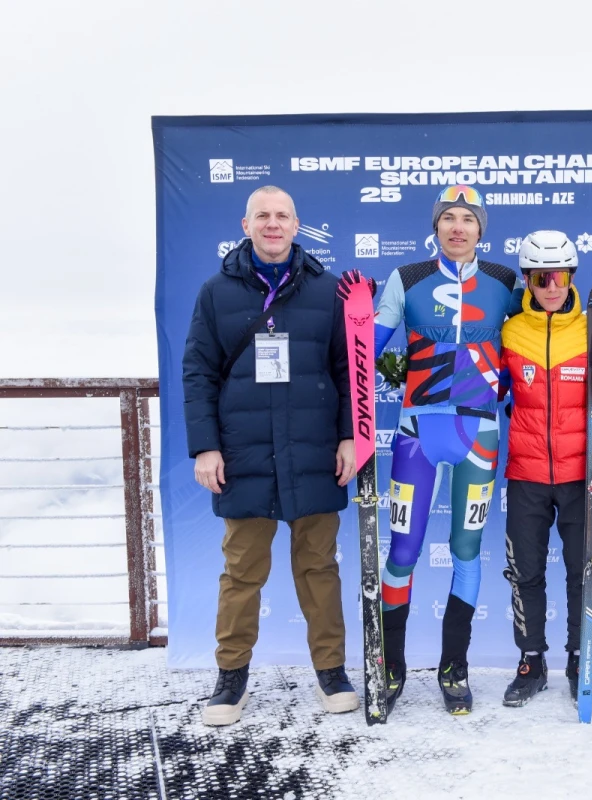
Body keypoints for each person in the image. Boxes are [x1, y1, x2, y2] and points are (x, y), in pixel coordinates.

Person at [183, 185, 359, 727]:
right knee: (241, 573)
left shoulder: (330, 291)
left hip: (312, 452)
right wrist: (205, 446)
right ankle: (230, 677)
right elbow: (198, 373)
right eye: (263, 216)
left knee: (318, 568)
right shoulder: (217, 292)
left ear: (297, 224)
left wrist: (353, 436)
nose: (273, 224)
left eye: (282, 215)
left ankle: (331, 671)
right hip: (245, 455)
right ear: (245, 225)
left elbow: (349, 370)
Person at [369, 185, 516, 715]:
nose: (458, 227)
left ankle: (455, 667)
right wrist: (354, 322)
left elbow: (527, 350)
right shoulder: (406, 279)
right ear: (435, 227)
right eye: (448, 218)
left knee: (467, 551)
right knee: (403, 552)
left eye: (468, 220)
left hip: (480, 436)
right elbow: (367, 349)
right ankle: (391, 668)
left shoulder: (505, 282)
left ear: (481, 230)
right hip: (416, 437)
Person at [495, 231, 592, 707]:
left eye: (560, 276)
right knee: (524, 571)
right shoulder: (509, 333)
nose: (551, 286)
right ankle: (531, 660)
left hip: (580, 476)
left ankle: (576, 655)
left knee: (581, 571)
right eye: (541, 277)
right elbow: (489, 388)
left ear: (571, 278)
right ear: (526, 278)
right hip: (524, 473)